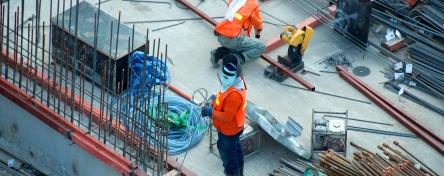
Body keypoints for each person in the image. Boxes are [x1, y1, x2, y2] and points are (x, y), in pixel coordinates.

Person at [202, 57, 247, 176]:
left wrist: (210, 112)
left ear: (235, 76)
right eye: (223, 74)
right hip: (233, 129)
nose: (223, 78)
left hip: (229, 131)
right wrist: (214, 101)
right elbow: (223, 98)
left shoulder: (234, 95)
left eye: (227, 77)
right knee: (235, 151)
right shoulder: (233, 84)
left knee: (228, 157)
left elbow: (227, 116)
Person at [211, 0, 266, 67]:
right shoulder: (254, 3)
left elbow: (236, 13)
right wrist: (257, 35)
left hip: (220, 32)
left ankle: (219, 53)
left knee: (238, 45)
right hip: (232, 37)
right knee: (261, 46)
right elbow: (258, 24)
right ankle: (236, 59)